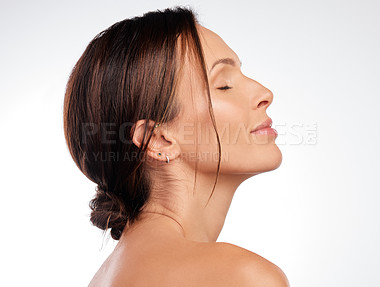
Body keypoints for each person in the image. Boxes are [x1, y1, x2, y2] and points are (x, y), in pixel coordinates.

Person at [64, 6, 288, 287]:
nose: (265, 93)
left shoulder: (105, 278)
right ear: (158, 140)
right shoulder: (239, 276)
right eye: (224, 85)